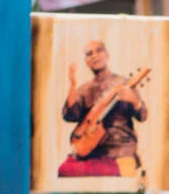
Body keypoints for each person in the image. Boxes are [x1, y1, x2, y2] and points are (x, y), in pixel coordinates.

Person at [57, 39, 147, 178]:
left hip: (119, 149)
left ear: (107, 55)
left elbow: (142, 116)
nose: (94, 55)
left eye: (99, 50)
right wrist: (73, 85)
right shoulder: (84, 89)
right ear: (86, 61)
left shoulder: (124, 83)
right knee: (64, 169)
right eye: (89, 53)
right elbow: (70, 116)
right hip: (90, 151)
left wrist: (135, 101)